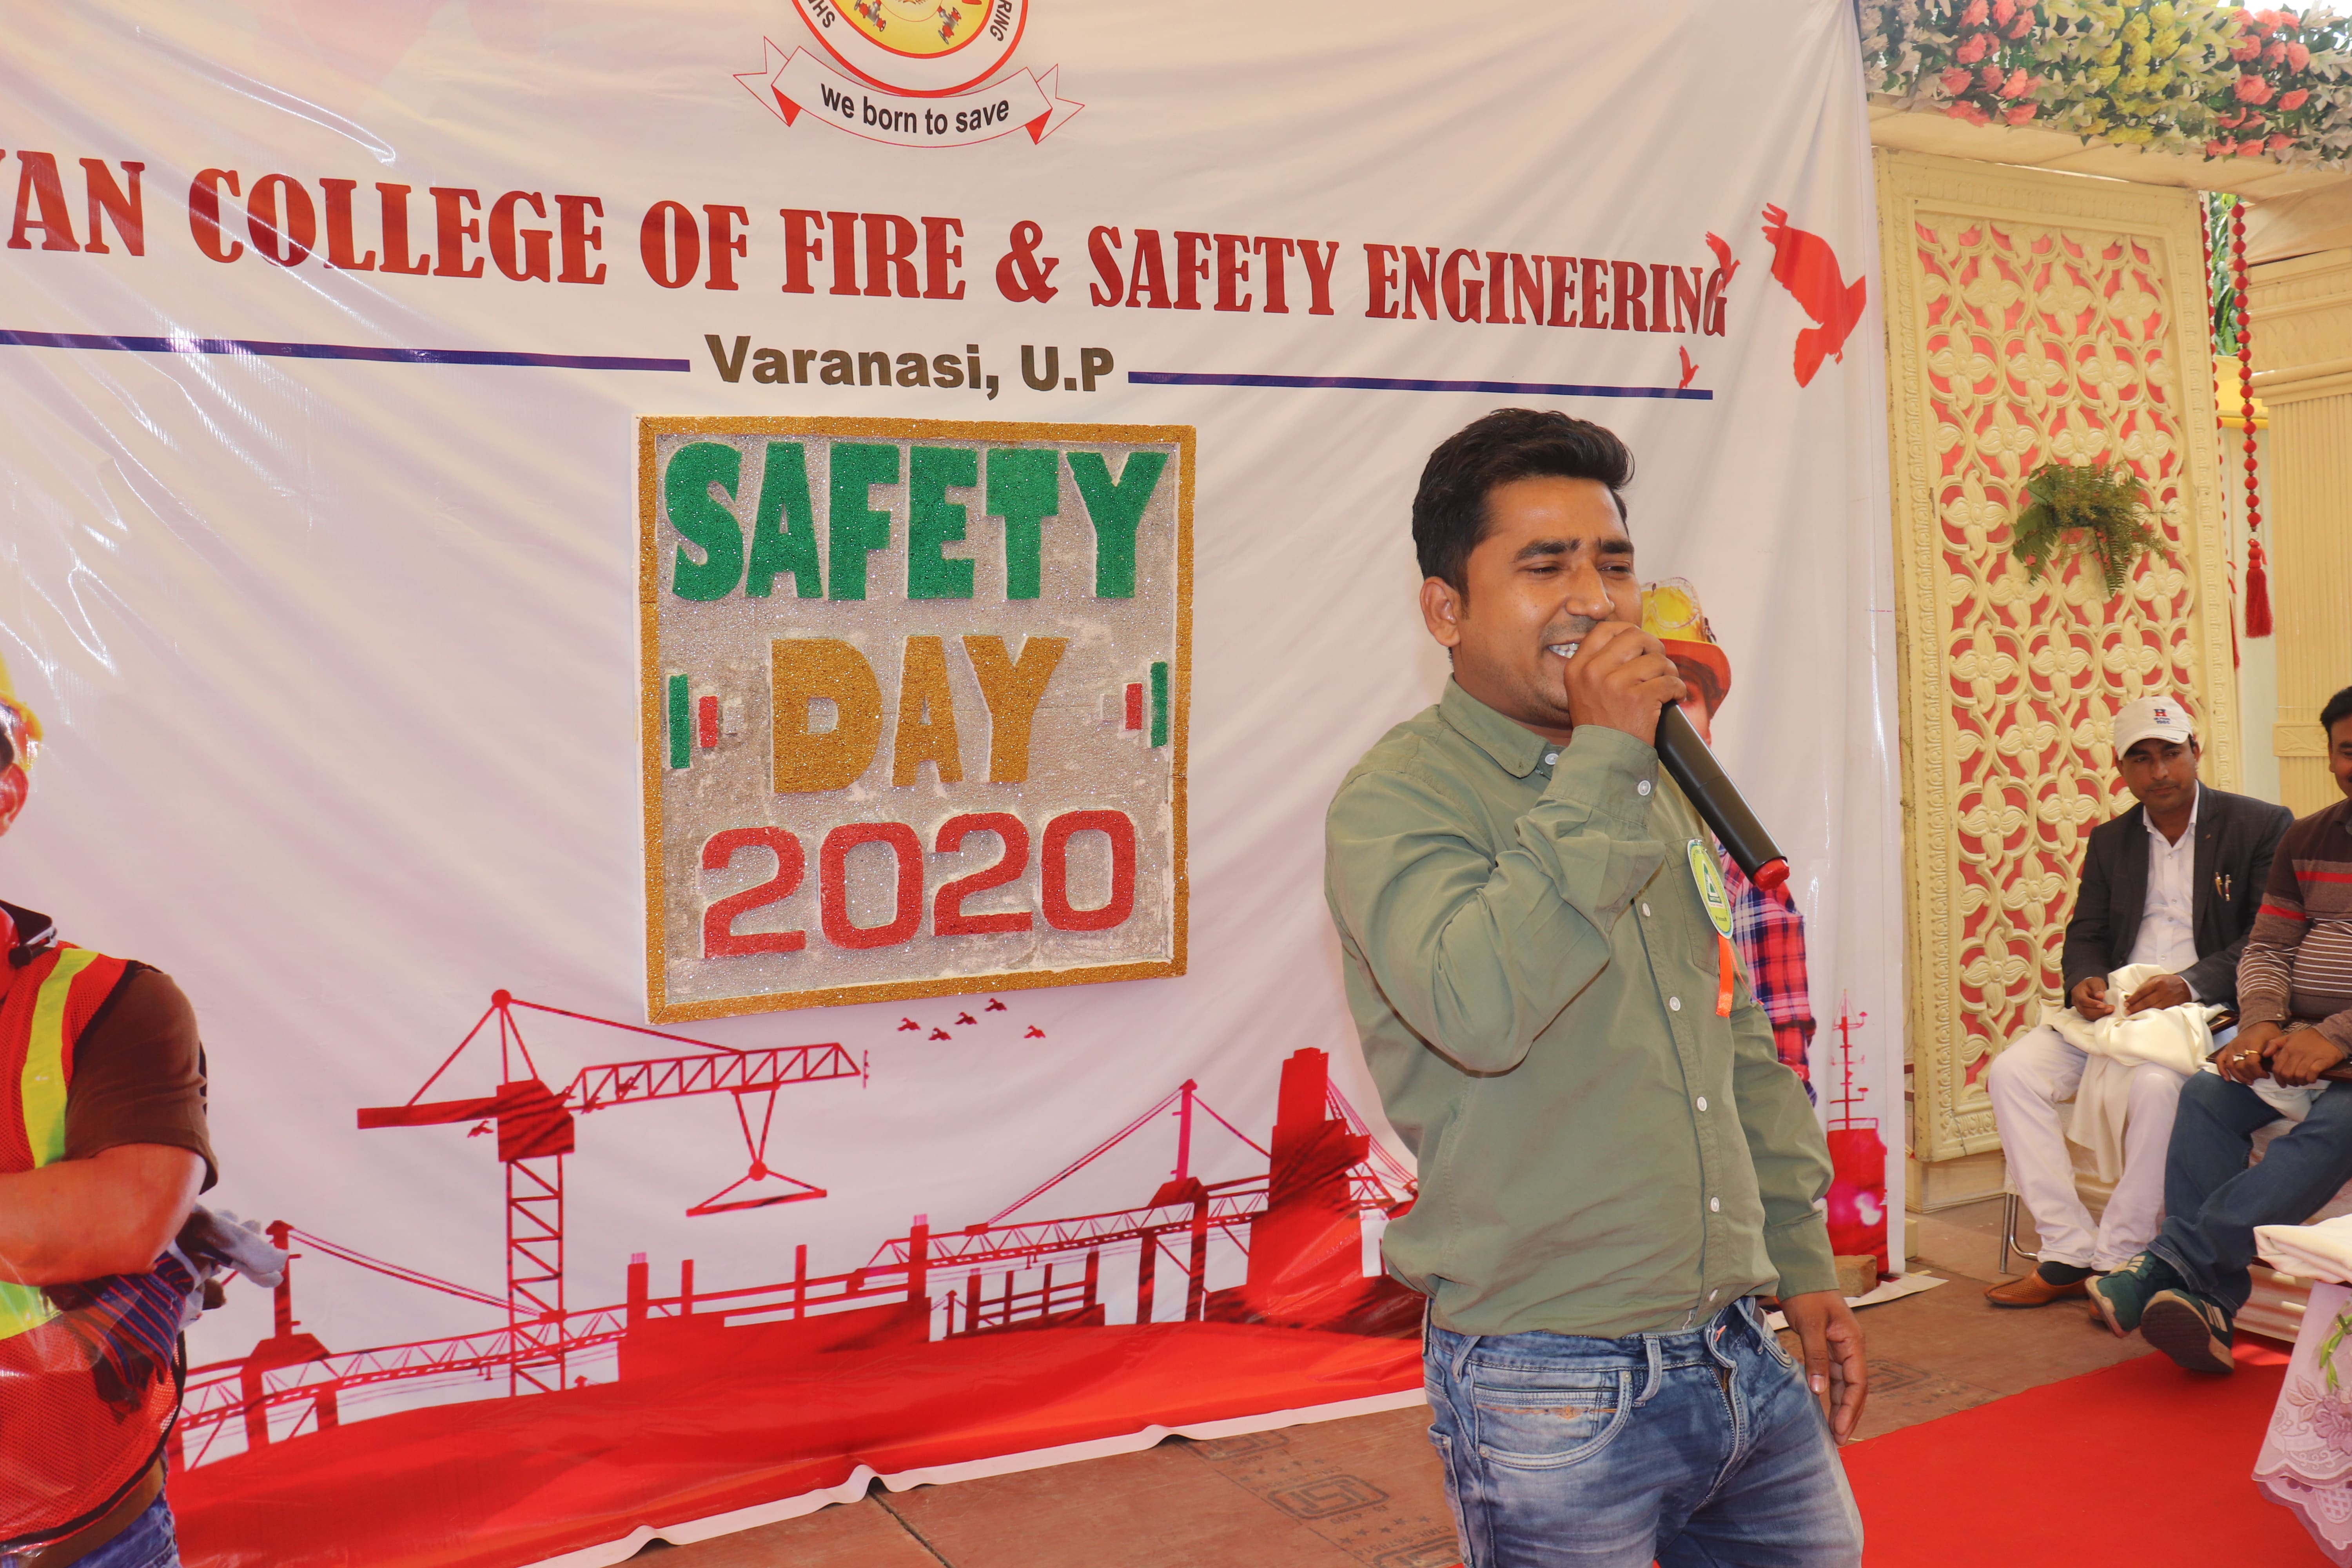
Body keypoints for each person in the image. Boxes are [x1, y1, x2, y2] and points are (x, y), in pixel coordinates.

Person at [1324, 409, 1862, 1568]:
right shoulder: (1400, 798)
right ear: (1445, 610)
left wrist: (1802, 1256)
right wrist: (1611, 757)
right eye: (1545, 566)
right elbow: (1480, 1010)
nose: (1593, 598)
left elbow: (1736, 1038)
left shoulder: (1651, 784)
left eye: (1613, 564)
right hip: (1549, 1381)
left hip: (1739, 1347)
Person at [0, 656, 216, 1568]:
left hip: (81, 1539)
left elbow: (124, 1217)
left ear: (7, 793)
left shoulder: (110, 1003)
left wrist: (72, 1222)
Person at [1981, 696, 2290, 1308]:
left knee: (2156, 1086)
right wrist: (2086, 982)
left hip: (2209, 1011)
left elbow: (2267, 937)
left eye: (2171, 754)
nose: (2160, 772)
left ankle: (2121, 1258)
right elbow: (2087, 933)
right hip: (2124, 1009)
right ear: (2121, 768)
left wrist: (2190, 983)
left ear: (2195, 751)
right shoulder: (2111, 840)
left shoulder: (2259, 825)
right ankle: (2067, 1250)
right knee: (2012, 1073)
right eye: (2142, 759)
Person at [2091, 684, 2352, 1373]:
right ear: (2330, 757)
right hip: (2297, 1040)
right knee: (2206, 1095)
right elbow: (2267, 947)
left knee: (2341, 1124)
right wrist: (2261, 1025)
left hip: (2339, 1053)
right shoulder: (2310, 837)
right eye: (2348, 750)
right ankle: (2208, 1304)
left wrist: (2336, 1036)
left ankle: (2178, 1268)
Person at [1644, 579, 1819, 1096]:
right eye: (1647, 690)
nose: (1667, 714)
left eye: (1685, 695)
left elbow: (1781, 1071)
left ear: (1708, 727)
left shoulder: (1743, 874)